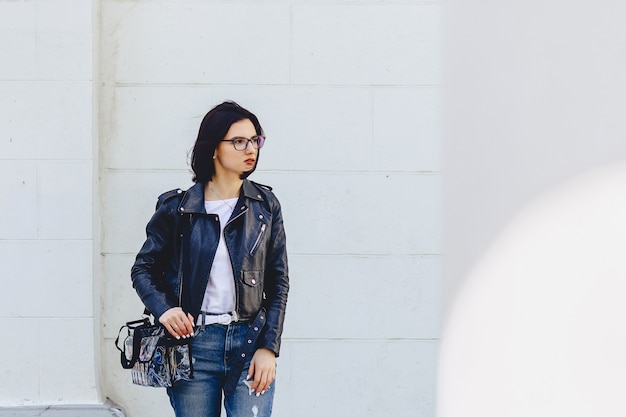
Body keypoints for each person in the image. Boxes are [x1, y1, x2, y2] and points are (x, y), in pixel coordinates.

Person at [131, 101, 289, 417]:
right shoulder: (178, 208)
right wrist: (164, 309)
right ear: (213, 148)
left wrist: (268, 347)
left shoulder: (265, 206)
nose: (251, 149)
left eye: (255, 140)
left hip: (249, 341)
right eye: (239, 141)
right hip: (192, 345)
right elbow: (143, 269)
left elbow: (278, 281)